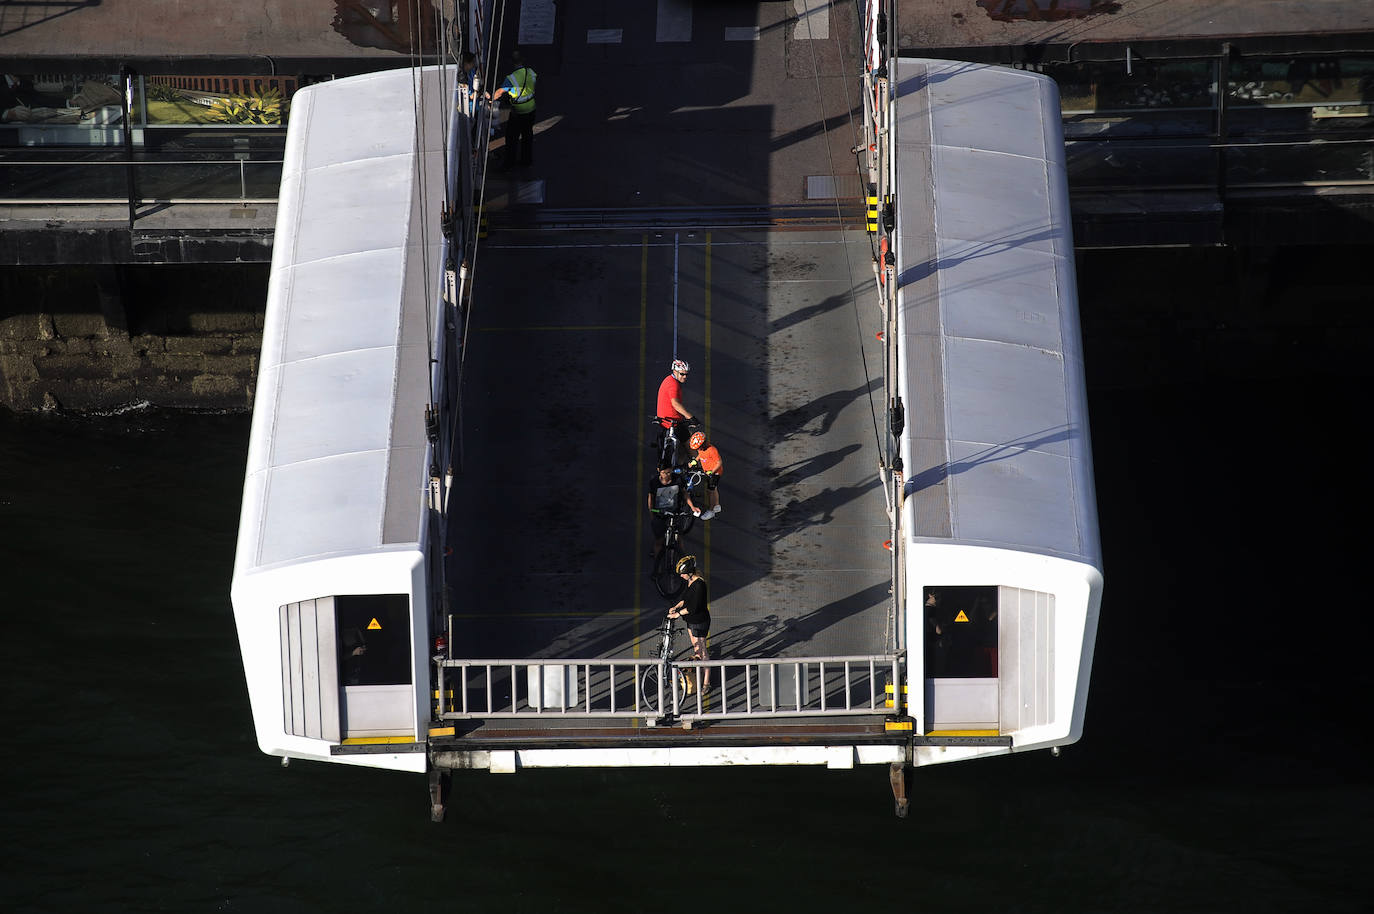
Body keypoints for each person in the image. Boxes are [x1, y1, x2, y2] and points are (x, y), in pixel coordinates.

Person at [667, 554, 711, 691]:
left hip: (699, 621)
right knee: (696, 648)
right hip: (691, 621)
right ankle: (699, 672)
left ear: (690, 572)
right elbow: (686, 598)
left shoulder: (699, 585)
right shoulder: (690, 581)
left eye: (683, 574)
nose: (681, 576)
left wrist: (676, 614)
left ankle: (706, 682)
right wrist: (677, 606)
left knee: (703, 651)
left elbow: (693, 607)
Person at [489, 50, 536, 169]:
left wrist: (490, 100)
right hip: (531, 109)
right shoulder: (530, 72)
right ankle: (526, 160)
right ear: (522, 60)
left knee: (511, 137)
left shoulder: (511, 78)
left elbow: (500, 92)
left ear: (512, 63)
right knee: (527, 135)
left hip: (518, 111)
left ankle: (509, 164)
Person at [647, 464, 701, 556]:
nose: (666, 475)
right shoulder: (654, 482)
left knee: (679, 539)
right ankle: (657, 566)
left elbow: (684, 493)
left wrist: (692, 507)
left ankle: (682, 560)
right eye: (663, 473)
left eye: (668, 472)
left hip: (675, 512)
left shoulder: (678, 479)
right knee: (659, 540)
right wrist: (651, 512)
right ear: (659, 470)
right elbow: (651, 498)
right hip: (660, 513)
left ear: (671, 470)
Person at [655, 358, 696, 467]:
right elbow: (675, 404)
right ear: (674, 371)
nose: (685, 377)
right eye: (682, 374)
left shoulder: (668, 380)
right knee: (690, 441)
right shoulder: (673, 384)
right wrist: (691, 417)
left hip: (665, 420)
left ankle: (680, 464)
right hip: (672, 421)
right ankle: (696, 465)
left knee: (682, 442)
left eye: (686, 374)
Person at [687, 430, 723, 520]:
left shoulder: (712, 450)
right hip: (707, 472)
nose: (698, 450)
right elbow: (700, 455)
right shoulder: (701, 449)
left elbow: (719, 463)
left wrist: (711, 471)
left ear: (703, 444)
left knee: (710, 491)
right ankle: (717, 505)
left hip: (715, 473)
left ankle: (711, 511)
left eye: (698, 448)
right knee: (713, 489)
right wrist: (695, 460)